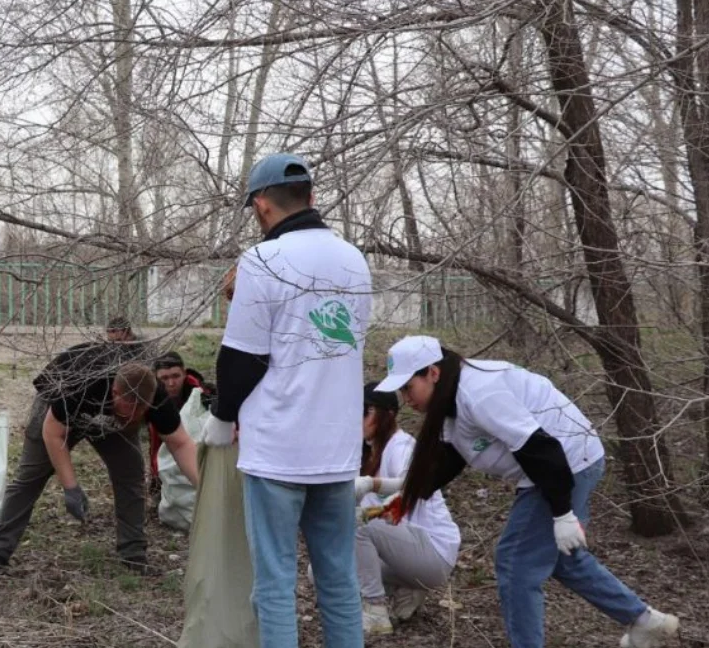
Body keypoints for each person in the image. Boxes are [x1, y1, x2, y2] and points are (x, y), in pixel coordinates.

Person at [374, 335, 680, 648]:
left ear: (432, 373)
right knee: (562, 559)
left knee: (516, 562)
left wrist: (562, 513)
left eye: (408, 387)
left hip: (565, 463)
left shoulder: (478, 393)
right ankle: (644, 621)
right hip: (558, 465)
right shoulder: (450, 398)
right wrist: (408, 497)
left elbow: (540, 448)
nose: (405, 398)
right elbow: (450, 457)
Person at [201, 152, 372, 648]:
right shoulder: (353, 259)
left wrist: (222, 415)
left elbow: (244, 357)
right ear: (311, 197)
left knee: (275, 586)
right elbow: (339, 347)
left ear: (261, 204)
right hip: (338, 451)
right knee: (339, 582)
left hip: (278, 450)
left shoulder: (263, 260)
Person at [0, 341, 200, 574]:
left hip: (107, 418)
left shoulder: (153, 394)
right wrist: (70, 486)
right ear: (115, 393)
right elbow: (53, 433)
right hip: (56, 413)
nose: (135, 416)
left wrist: (204, 486)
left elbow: (181, 443)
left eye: (141, 412)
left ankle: (133, 553)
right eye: (130, 409)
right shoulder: (82, 383)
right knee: (30, 476)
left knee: (131, 475)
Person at [351, 382, 460, 636]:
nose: (357, 420)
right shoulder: (366, 456)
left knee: (359, 525)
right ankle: (408, 585)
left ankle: (375, 610)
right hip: (403, 550)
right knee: (321, 572)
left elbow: (408, 489)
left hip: (434, 550)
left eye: (365, 412)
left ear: (388, 414)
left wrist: (371, 485)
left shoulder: (402, 448)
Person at [147, 351, 208, 495]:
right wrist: (156, 475)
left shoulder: (201, 394)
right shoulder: (152, 397)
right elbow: (155, 442)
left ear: (184, 374)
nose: (171, 383)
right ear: (156, 377)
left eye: (176, 376)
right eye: (164, 378)